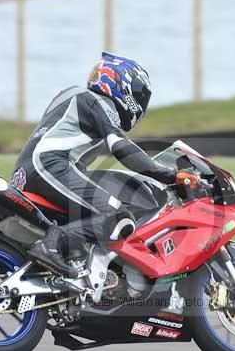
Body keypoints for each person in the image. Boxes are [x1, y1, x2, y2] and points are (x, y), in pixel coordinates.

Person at [11, 52, 198, 278]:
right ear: (120, 84)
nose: (140, 104)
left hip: (29, 171)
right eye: (139, 94)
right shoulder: (94, 100)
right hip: (50, 165)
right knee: (119, 217)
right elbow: (121, 147)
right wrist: (168, 175)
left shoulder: (73, 98)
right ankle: (51, 245)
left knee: (92, 218)